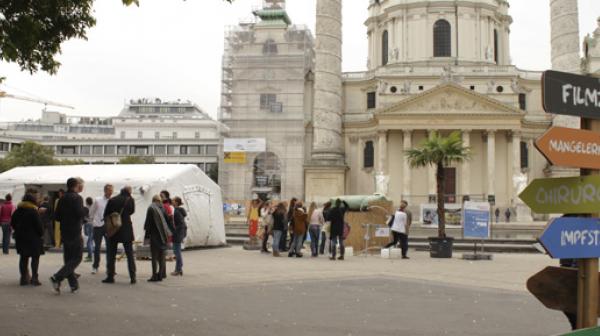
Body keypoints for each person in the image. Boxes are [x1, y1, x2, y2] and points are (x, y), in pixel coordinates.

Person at [50, 178, 86, 294]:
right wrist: (85, 211)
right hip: (75, 230)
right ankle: (57, 277)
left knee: (69, 258)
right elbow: (79, 213)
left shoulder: (62, 198)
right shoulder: (77, 198)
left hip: (64, 231)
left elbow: (57, 217)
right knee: (77, 257)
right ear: (76, 185)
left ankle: (73, 284)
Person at [102, 186, 136, 284]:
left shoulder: (113, 200)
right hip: (126, 229)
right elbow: (132, 211)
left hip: (114, 228)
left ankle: (110, 276)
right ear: (129, 191)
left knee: (111, 254)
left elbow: (106, 213)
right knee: (129, 254)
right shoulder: (130, 200)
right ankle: (133, 277)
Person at [11, 190, 44, 286]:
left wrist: (18, 230)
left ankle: (23, 278)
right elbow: (39, 226)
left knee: (23, 258)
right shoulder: (34, 211)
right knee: (35, 258)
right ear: (33, 201)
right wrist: (41, 233)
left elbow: (12, 223)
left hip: (21, 238)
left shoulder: (17, 211)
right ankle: (34, 278)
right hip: (33, 239)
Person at [144, 195, 173, 282]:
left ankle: (154, 275)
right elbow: (168, 220)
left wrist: (147, 236)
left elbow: (148, 223)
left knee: (154, 256)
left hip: (154, 235)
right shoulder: (163, 208)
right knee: (161, 256)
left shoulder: (151, 208)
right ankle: (160, 274)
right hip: (163, 236)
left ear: (153, 200)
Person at [89, 184, 113, 274]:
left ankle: (109, 268)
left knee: (110, 247)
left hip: (108, 226)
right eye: (109, 190)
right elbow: (91, 212)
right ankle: (95, 266)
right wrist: (92, 222)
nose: (111, 192)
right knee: (97, 247)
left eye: (112, 190)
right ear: (105, 191)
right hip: (98, 225)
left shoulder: (112, 200)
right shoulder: (98, 200)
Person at [171, 196, 187, 276]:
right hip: (179, 233)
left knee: (177, 252)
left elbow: (180, 224)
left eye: (173, 200)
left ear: (176, 202)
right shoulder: (178, 211)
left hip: (177, 234)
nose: (171, 201)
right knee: (176, 251)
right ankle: (179, 269)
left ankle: (178, 269)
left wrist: (174, 231)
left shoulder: (177, 211)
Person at [83, 197, 93, 262]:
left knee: (89, 240)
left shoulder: (85, 208)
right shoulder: (93, 207)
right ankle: (90, 255)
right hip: (93, 224)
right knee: (91, 240)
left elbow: (84, 217)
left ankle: (90, 256)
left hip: (88, 224)